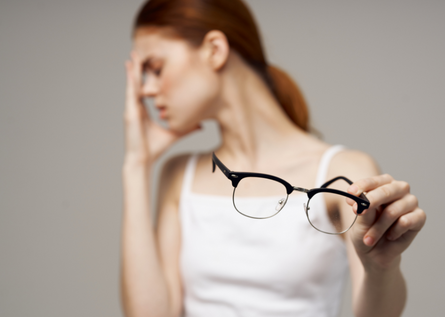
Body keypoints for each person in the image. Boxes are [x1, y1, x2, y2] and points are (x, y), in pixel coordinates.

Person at [121, 0, 426, 316]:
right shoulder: (179, 175)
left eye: (155, 69)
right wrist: (136, 164)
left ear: (214, 49)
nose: (145, 90)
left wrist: (381, 268)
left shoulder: (340, 171)